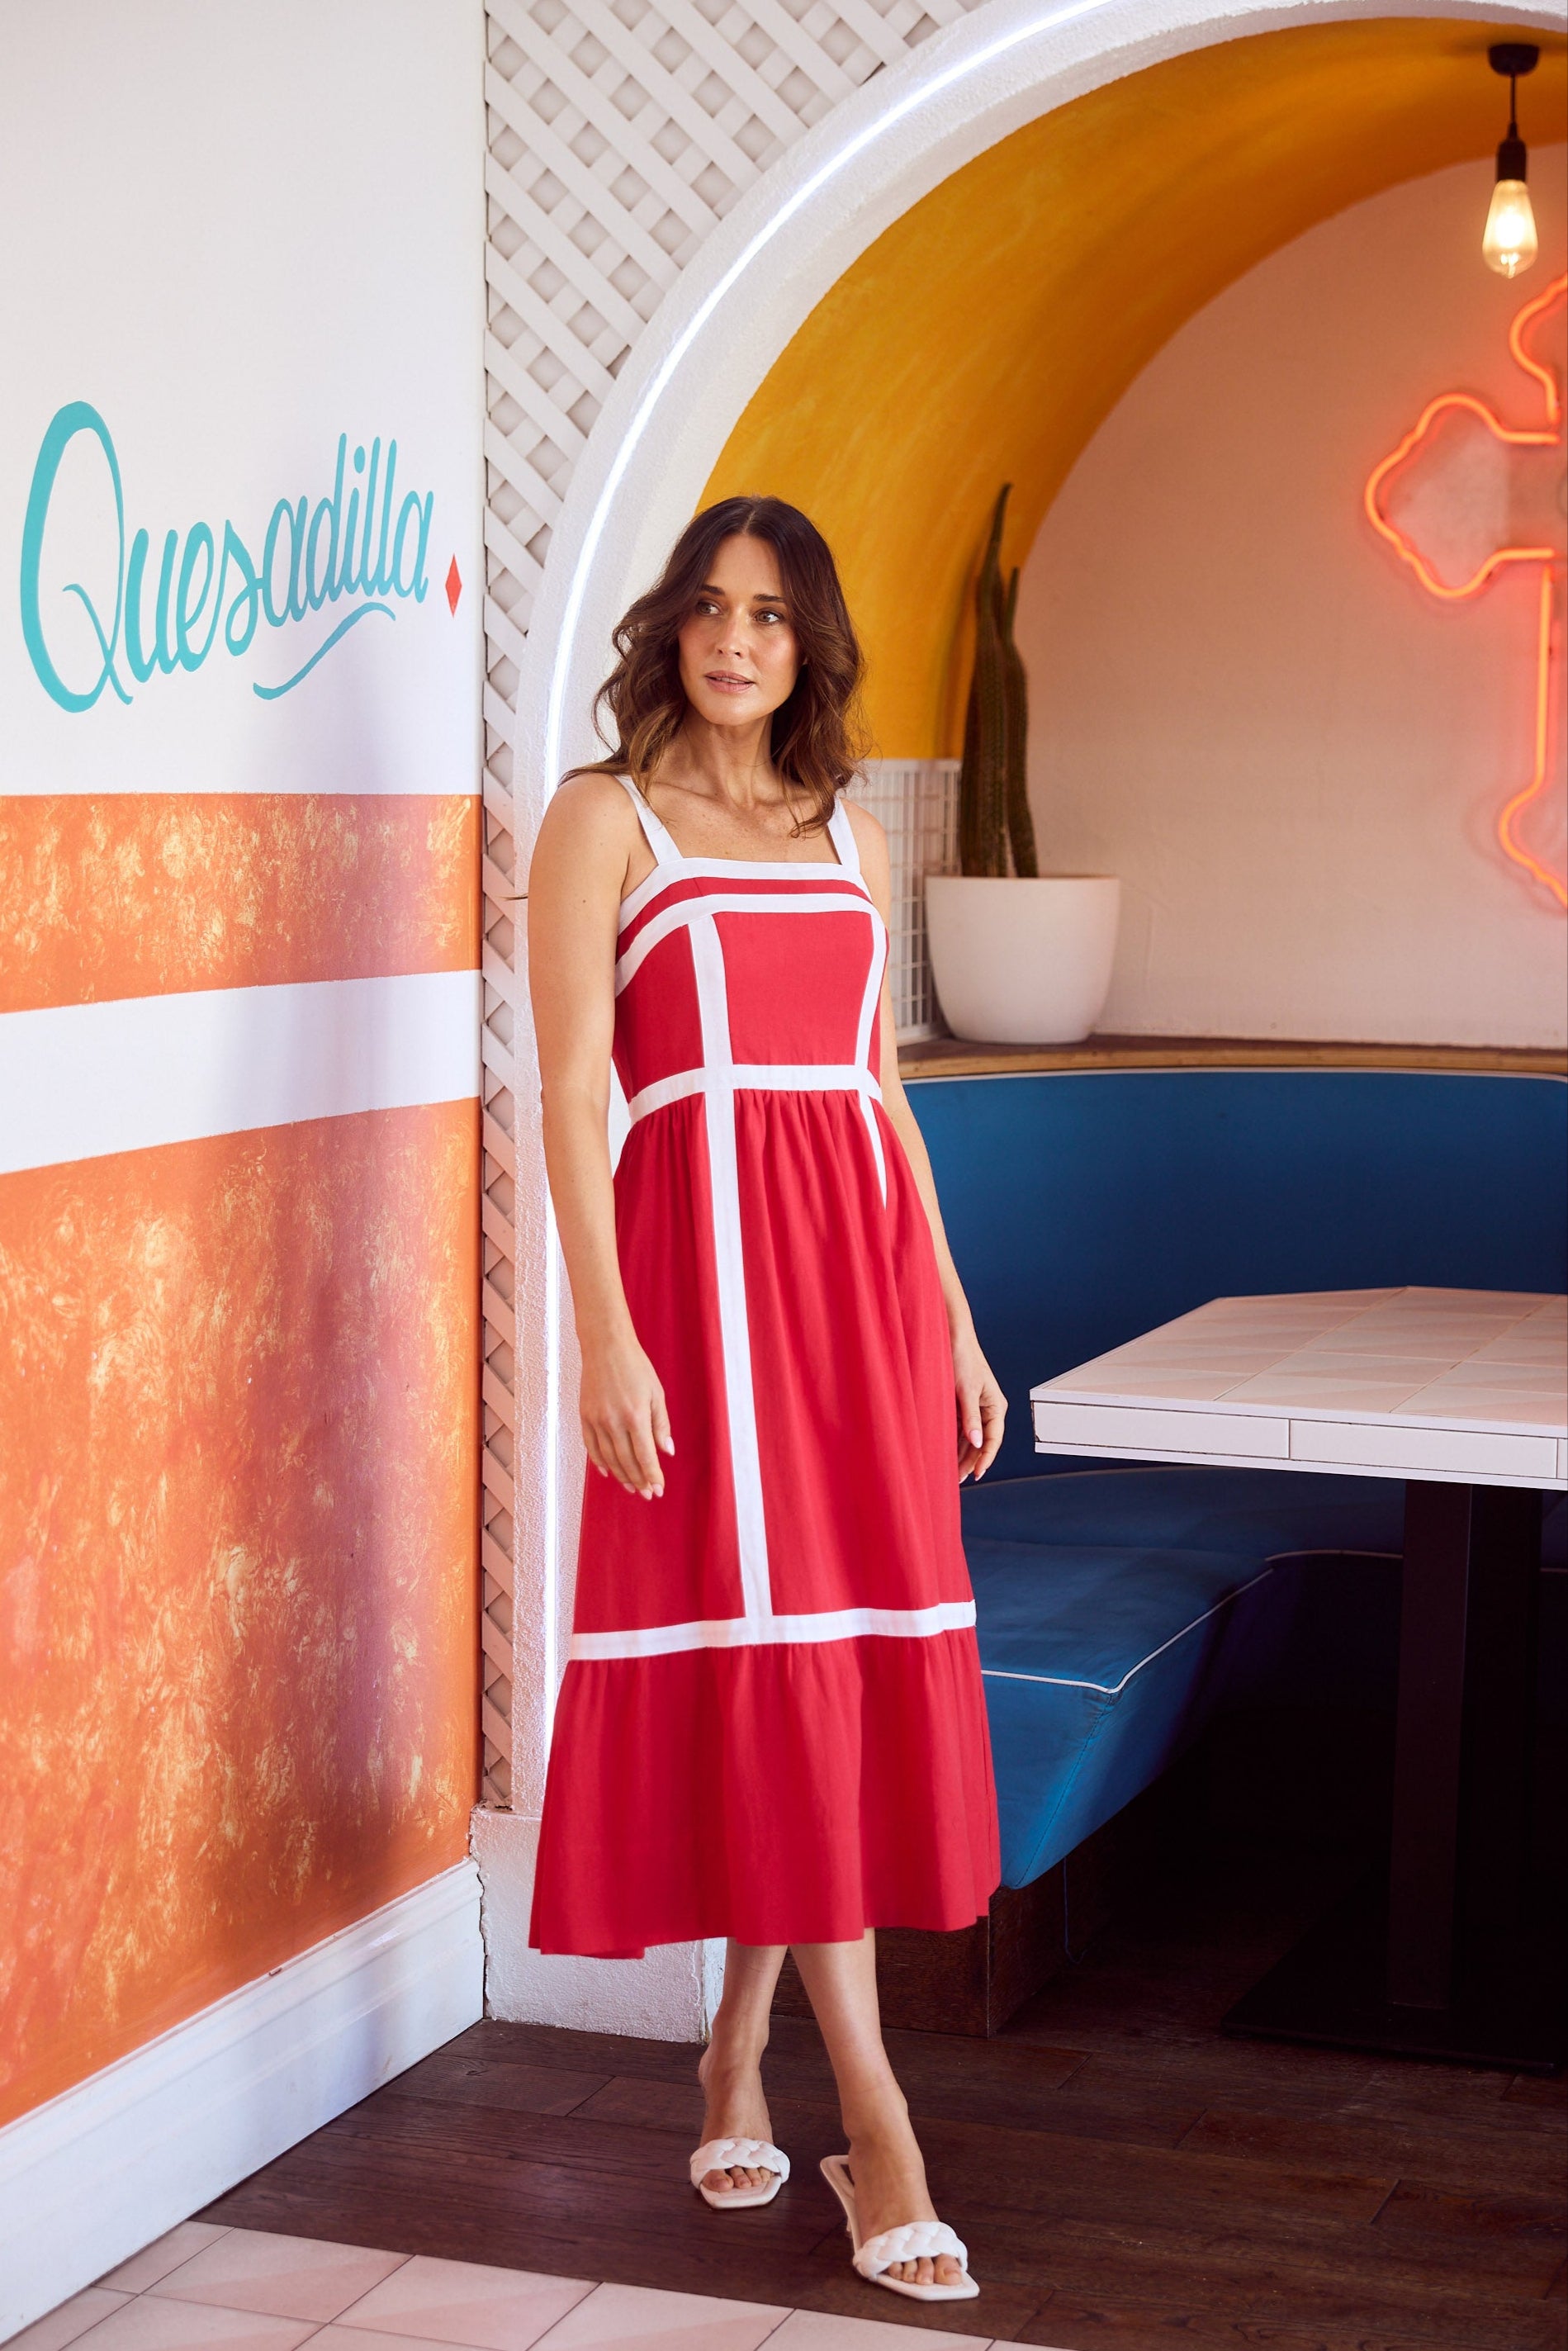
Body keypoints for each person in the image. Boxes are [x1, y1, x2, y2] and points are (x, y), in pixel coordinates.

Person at [526, 494, 1004, 2304]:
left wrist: (951, 1322)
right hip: (702, 1297)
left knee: (809, 1666)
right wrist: (607, 1329)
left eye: (774, 618)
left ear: (808, 651)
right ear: (670, 628)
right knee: (766, 1659)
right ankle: (876, 2119)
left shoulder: (843, 835)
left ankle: (733, 2058)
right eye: (713, 609)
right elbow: (575, 1093)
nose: (738, 639)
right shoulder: (601, 820)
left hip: (858, 1294)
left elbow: (881, 1092)